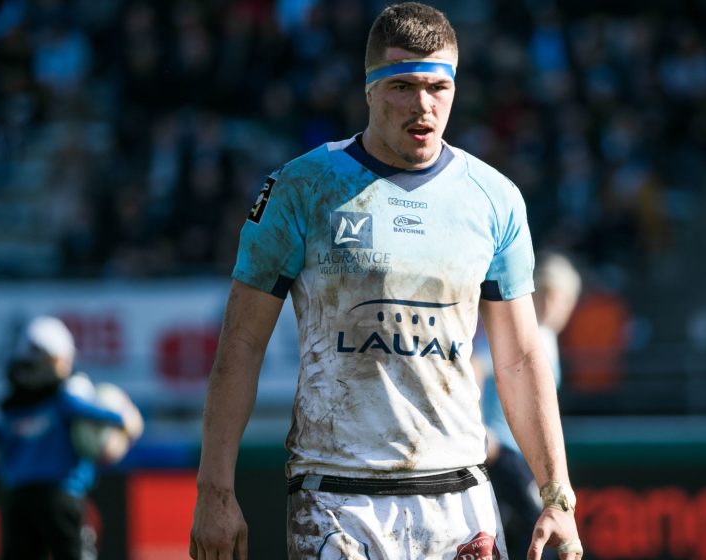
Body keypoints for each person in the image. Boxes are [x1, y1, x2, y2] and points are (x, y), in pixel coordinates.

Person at [189, 3, 582, 559]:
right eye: (402, 85)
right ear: (368, 89)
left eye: (436, 87)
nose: (422, 105)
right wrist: (215, 492)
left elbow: (519, 358)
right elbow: (241, 345)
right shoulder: (301, 188)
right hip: (337, 500)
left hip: (460, 499)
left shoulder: (494, 199)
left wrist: (557, 498)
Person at [0, 316, 143, 560]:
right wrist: (126, 418)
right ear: (56, 358)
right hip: (61, 497)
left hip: (18, 500)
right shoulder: (63, 397)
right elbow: (93, 413)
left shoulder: (6, 405)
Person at [478, 252, 581, 559]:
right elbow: (475, 366)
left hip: (522, 456)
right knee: (540, 532)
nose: (553, 304)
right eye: (546, 293)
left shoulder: (546, 339)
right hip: (500, 451)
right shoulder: (523, 336)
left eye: (561, 297)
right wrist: (476, 425)